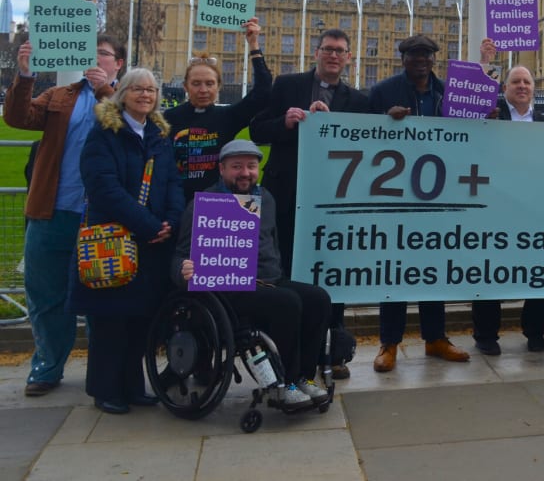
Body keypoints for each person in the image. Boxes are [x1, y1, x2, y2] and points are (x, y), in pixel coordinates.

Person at [4, 35, 124, 397]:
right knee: (45, 295)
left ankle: (108, 372)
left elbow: (135, 129)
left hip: (101, 217)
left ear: (118, 63)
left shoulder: (128, 97)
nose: (97, 60)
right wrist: (25, 76)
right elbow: (17, 117)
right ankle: (47, 365)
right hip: (52, 211)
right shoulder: (60, 97)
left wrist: (105, 92)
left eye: (104, 55)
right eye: (93, 54)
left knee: (107, 295)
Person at [173, 140, 330, 409]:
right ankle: (288, 383)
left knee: (319, 298)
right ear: (221, 169)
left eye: (251, 166)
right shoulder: (203, 203)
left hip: (269, 279)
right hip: (229, 288)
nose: (245, 173)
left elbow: (273, 244)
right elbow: (179, 255)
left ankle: (305, 376)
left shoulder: (265, 198)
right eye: (236, 167)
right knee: (287, 301)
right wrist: (182, 270)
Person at [249, 27, 367, 378]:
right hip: (286, 199)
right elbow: (257, 130)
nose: (334, 55)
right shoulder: (287, 86)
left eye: (340, 51)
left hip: (332, 202)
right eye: (328, 49)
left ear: (348, 58)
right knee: (281, 274)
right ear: (316, 52)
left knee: (333, 277)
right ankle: (280, 351)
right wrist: (286, 122)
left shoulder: (358, 102)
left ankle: (332, 353)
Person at [73, 69, 185, 414]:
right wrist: (149, 225)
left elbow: (172, 184)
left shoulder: (159, 136)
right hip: (116, 240)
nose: (145, 95)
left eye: (151, 90)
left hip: (152, 242)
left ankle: (133, 386)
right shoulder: (104, 133)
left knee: (140, 319)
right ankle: (106, 389)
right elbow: (104, 190)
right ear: (122, 93)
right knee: (111, 321)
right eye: (137, 89)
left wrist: (171, 221)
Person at [370, 34, 471, 371]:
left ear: (433, 59)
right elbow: (359, 131)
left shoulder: (450, 94)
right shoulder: (384, 92)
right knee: (396, 268)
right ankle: (390, 342)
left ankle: (435, 338)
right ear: (403, 59)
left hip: (439, 192)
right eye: (414, 55)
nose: (421, 60)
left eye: (426, 55)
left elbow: (471, 133)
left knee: (432, 267)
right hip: (397, 191)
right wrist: (385, 119)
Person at [475, 52, 544, 354]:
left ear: (533, 88)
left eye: (527, 82)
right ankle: (486, 334)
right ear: (505, 87)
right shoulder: (492, 116)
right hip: (496, 205)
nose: (522, 86)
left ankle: (534, 331)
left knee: (538, 271)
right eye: (516, 82)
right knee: (489, 269)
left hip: (535, 208)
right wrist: (485, 61)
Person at [165, 18, 272, 200]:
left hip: (217, 204)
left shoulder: (228, 116)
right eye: (196, 84)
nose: (203, 90)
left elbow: (264, 90)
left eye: (209, 83)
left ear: (218, 86)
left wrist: (253, 44)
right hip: (178, 203)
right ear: (185, 86)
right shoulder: (169, 117)